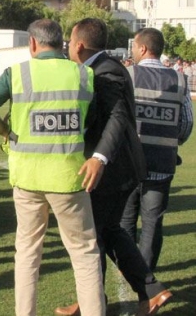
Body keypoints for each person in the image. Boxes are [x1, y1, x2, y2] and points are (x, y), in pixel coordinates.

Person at [0, 19, 105, 315]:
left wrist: (7, 133)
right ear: (61, 43)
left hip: (28, 178)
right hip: (70, 178)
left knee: (28, 254)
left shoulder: (17, 73)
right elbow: (91, 123)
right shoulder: (84, 75)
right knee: (84, 255)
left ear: (32, 43)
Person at [55, 18, 173, 316]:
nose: (68, 46)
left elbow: (117, 118)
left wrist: (99, 157)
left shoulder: (106, 71)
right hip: (116, 169)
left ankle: (103, 300)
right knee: (106, 232)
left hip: (112, 169)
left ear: (79, 44)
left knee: (93, 235)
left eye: (69, 41)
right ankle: (145, 292)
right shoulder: (102, 67)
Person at [121, 28, 193, 272]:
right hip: (162, 164)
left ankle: (129, 268)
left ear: (142, 48)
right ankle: (146, 271)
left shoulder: (128, 74)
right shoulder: (179, 78)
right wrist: (172, 142)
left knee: (126, 220)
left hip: (130, 163)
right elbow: (186, 123)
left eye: (134, 47)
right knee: (152, 222)